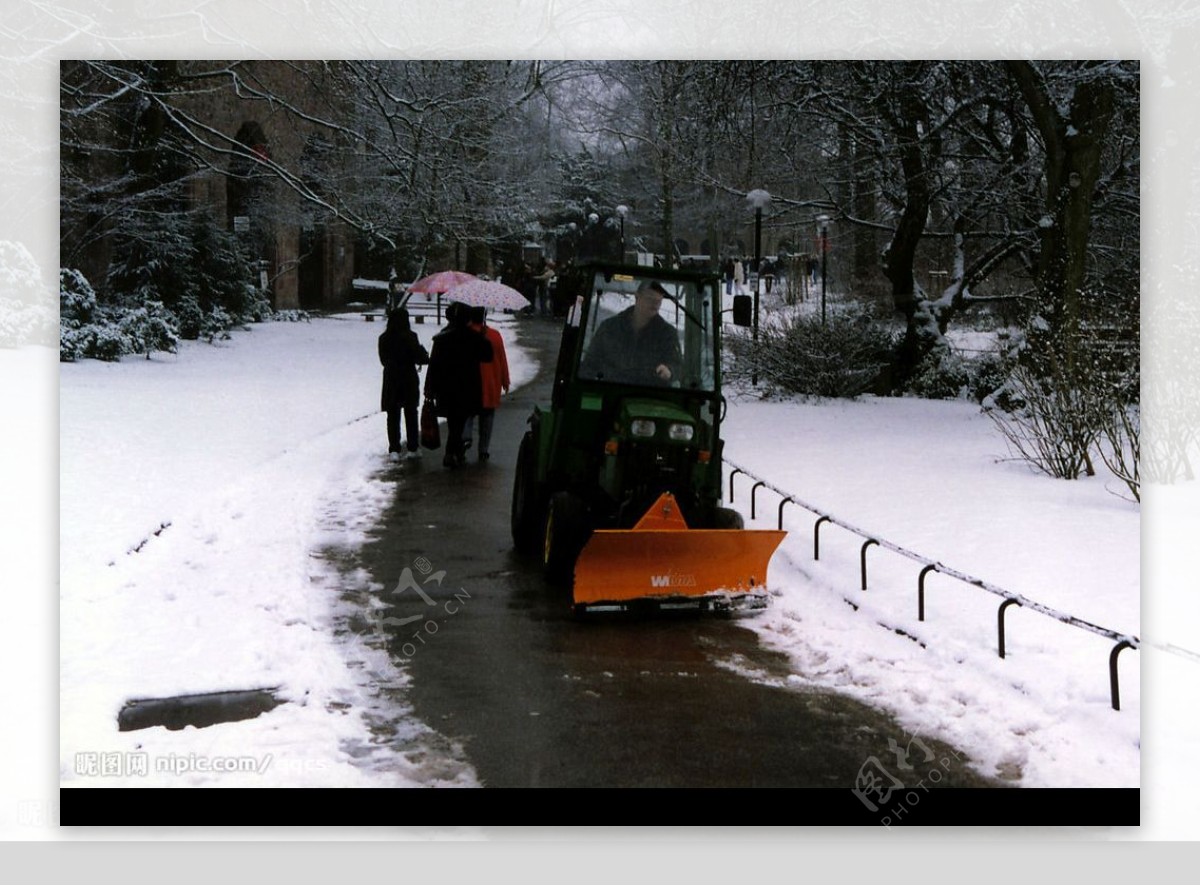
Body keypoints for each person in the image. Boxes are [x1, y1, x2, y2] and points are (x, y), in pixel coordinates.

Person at [424, 302, 493, 468]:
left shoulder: (442, 338)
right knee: (459, 421)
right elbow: (487, 356)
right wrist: (483, 336)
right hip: (467, 387)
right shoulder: (475, 338)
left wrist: (429, 389)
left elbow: (434, 365)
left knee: (454, 422)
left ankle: (455, 452)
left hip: (446, 387)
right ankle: (452, 452)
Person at [579, 281, 681, 386]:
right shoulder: (610, 327)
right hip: (610, 390)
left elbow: (677, 366)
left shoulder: (667, 334)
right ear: (637, 297)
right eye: (650, 299)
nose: (655, 305)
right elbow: (591, 362)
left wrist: (669, 371)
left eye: (658, 301)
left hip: (649, 394)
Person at [378, 307, 429, 461]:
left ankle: (394, 448)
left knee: (392, 415)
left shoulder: (384, 338)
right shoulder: (411, 337)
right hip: (409, 378)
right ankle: (413, 447)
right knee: (411, 413)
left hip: (391, 379)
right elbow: (420, 358)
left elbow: (383, 360)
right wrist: (422, 352)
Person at [462, 306, 511, 461]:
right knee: (487, 417)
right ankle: (483, 450)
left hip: (470, 382)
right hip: (490, 382)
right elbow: (502, 359)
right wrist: (505, 379)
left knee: (467, 413)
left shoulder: (464, 335)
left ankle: (465, 438)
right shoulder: (494, 335)